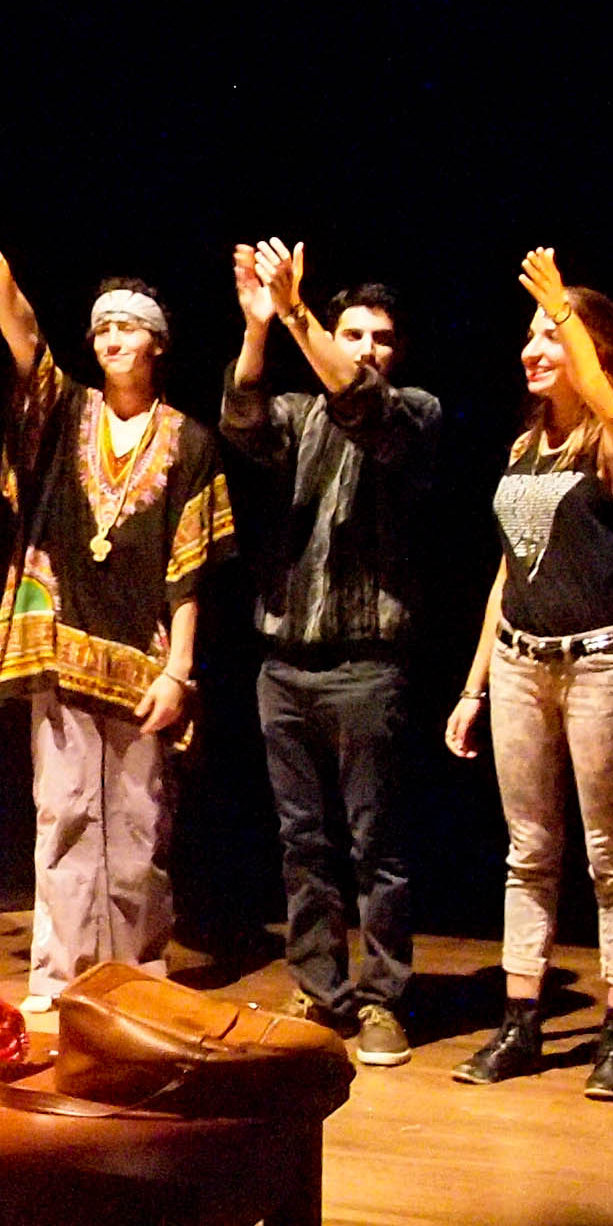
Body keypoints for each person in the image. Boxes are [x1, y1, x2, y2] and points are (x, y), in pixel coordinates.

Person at [0, 225, 231, 1006]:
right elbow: (25, 338)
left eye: (128, 327)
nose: (112, 338)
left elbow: (189, 566)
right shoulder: (65, 411)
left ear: (157, 344)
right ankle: (62, 974)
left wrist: (180, 671)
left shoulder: (191, 442)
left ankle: (137, 978)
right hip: (61, 643)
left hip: (144, 658)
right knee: (65, 814)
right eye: (103, 326)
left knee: (140, 827)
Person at [445, 250, 613, 1093]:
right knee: (529, 851)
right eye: (531, 334)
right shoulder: (524, 445)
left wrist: (567, 312)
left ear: (594, 349)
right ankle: (520, 1022)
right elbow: (507, 571)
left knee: (611, 855)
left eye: (553, 333)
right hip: (520, 662)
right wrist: (473, 686)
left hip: (603, 665)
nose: (533, 348)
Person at [214, 240, 441, 1061]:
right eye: (353, 335)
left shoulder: (415, 412)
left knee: (377, 846)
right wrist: (258, 326)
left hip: (366, 667)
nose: (367, 348)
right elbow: (242, 419)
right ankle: (320, 986)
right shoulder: (298, 414)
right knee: (302, 843)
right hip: (285, 663)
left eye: (381, 338)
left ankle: (383, 1000)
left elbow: (364, 409)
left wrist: (297, 313)